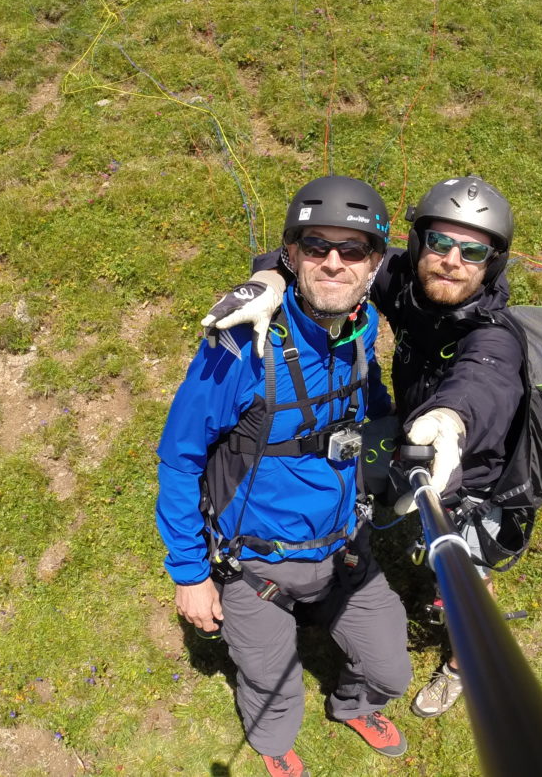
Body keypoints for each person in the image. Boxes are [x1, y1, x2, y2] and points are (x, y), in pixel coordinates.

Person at [204, 175, 528, 720]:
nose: (452, 260)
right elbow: (320, 258)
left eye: (473, 251)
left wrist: (451, 418)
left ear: (492, 264)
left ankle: (459, 663)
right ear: (419, 241)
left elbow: (486, 380)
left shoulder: (493, 334)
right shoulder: (406, 278)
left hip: (474, 466)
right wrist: (267, 279)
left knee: (464, 570)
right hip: (413, 438)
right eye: (440, 242)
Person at [159, 176, 411, 777]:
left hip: (347, 548)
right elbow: (179, 460)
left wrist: (393, 454)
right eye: (316, 246)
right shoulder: (239, 347)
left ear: (375, 264)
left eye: (353, 250)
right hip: (256, 566)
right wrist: (191, 576)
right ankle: (274, 745)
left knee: (390, 672)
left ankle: (354, 705)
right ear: (290, 254)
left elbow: (369, 399)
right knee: (272, 693)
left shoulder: (363, 330)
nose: (333, 263)